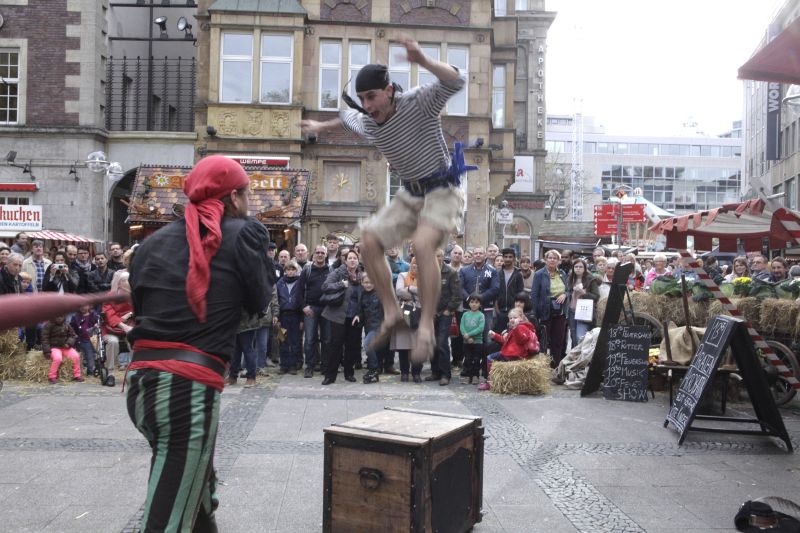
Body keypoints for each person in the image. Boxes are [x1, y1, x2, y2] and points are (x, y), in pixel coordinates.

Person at [301, 35, 471, 364]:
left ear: (389, 90)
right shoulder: (368, 121)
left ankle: (425, 326)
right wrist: (321, 126)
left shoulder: (419, 102)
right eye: (362, 99)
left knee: (423, 245)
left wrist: (423, 60)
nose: (368, 106)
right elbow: (346, 118)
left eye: (372, 97)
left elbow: (456, 80)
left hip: (444, 188)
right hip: (411, 193)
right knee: (367, 241)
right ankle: (392, 313)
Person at [126, 155, 271, 532]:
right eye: (247, 194)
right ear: (234, 197)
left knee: (198, 497)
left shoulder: (151, 244)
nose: (249, 203)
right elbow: (259, 302)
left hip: (141, 385)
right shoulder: (244, 232)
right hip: (186, 393)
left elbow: (141, 310)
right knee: (164, 524)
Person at [320, 250, 363, 385]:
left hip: (354, 316)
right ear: (345, 260)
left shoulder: (362, 275)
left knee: (351, 346)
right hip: (338, 315)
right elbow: (325, 286)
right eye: (350, 258)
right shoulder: (338, 272)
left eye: (355, 258)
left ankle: (349, 373)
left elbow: (365, 296)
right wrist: (341, 284)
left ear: (358, 261)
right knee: (335, 345)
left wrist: (360, 314)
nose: (352, 260)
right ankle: (330, 375)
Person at [479, 308, 538, 391]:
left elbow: (521, 340)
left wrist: (515, 328)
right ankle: (493, 381)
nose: (512, 320)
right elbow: (505, 341)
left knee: (490, 358)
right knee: (490, 356)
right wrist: (495, 336)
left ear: (521, 318)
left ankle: (490, 382)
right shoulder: (514, 328)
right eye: (510, 318)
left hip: (515, 354)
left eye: (515, 317)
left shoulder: (523, 327)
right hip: (510, 353)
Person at [426, 248, 461, 386]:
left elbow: (457, 295)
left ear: (443, 257)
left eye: (439, 256)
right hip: (431, 313)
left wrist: (449, 309)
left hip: (445, 313)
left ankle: (446, 374)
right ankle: (435, 372)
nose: (437, 258)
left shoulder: (451, 272)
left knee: (442, 343)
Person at [531, 249, 568, 367]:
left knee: (558, 341)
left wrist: (565, 294)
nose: (552, 260)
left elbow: (568, 289)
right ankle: (541, 367)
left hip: (560, 313)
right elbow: (534, 295)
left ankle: (554, 366)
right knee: (543, 341)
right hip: (545, 312)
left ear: (559, 261)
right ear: (545, 260)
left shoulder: (562, 273)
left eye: (555, 258)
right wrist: (536, 314)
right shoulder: (539, 274)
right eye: (550, 258)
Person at [300, 244, 331, 378]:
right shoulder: (307, 270)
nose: (320, 255)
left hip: (327, 309)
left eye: (322, 253)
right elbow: (299, 290)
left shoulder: (331, 270)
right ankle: (309, 366)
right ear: (313, 254)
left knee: (327, 339)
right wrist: (304, 306)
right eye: (318, 252)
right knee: (309, 339)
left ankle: (325, 366)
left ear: (326, 255)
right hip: (311, 309)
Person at [394, 258, 423, 382]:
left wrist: (410, 288)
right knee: (403, 344)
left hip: (421, 313)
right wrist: (416, 293)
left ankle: (416, 373)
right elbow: (399, 291)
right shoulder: (402, 275)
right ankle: (404, 372)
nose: (416, 266)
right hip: (404, 312)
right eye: (414, 263)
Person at [275, 260, 304, 374]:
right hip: (283, 316)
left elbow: (303, 301)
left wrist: (302, 319)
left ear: (296, 271)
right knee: (282, 340)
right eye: (288, 269)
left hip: (296, 316)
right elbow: (276, 300)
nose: (290, 272)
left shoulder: (300, 282)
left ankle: (293, 365)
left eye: (293, 269)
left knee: (295, 341)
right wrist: (277, 317)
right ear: (285, 271)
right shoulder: (280, 283)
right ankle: (283, 365)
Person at [102, 273, 134, 373]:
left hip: (130, 325)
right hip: (111, 328)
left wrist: (129, 314)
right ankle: (110, 372)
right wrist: (122, 324)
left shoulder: (134, 295)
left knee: (135, 338)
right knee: (113, 342)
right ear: (119, 283)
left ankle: (134, 368)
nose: (129, 282)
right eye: (126, 280)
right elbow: (109, 314)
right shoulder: (110, 296)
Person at [356, 273, 383, 384]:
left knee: (367, 344)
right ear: (362, 283)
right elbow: (361, 311)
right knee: (373, 348)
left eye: (371, 282)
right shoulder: (362, 294)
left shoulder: (380, 294)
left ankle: (374, 369)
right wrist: (358, 316)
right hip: (368, 326)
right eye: (366, 282)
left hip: (379, 326)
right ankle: (375, 371)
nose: (368, 285)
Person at [567, 258, 600, 346]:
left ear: (585, 268)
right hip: (572, 311)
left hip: (584, 312)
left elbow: (596, 296)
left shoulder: (591, 280)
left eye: (580, 267)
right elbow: (567, 293)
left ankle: (582, 354)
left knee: (580, 337)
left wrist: (584, 293)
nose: (578, 269)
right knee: (573, 336)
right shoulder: (571, 279)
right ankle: (575, 354)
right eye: (576, 266)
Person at [42, 315, 84, 384]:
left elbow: (73, 335)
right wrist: (47, 351)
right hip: (54, 347)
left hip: (65, 346)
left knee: (76, 356)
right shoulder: (48, 325)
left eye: (61, 316)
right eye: (57, 316)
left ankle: (77, 375)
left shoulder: (66, 324)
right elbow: (44, 339)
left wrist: (68, 343)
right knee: (58, 358)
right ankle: (52, 376)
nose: (59, 318)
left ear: (64, 317)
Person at [494, 248, 525, 333]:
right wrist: (497, 311)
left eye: (510, 257)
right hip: (500, 310)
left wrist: (517, 310)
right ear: (503, 258)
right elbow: (495, 293)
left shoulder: (518, 274)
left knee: (513, 335)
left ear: (514, 258)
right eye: (506, 257)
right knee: (500, 335)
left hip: (514, 312)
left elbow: (520, 294)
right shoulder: (497, 273)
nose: (508, 259)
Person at [459, 294, 484, 385]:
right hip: (466, 341)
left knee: (476, 359)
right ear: (468, 303)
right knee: (467, 359)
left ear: (480, 304)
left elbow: (480, 328)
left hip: (477, 342)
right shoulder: (465, 314)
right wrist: (465, 335)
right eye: (472, 302)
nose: (474, 304)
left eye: (476, 302)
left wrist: (469, 334)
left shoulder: (481, 315)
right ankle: (467, 376)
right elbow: (461, 326)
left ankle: (475, 376)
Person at [70, 304, 99, 376]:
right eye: (80, 306)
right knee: (79, 356)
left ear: (89, 306)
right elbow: (71, 327)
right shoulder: (75, 316)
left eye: (84, 305)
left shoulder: (94, 315)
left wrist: (96, 325)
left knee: (90, 355)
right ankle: (78, 372)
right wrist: (74, 335)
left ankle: (90, 371)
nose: (82, 308)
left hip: (89, 339)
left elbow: (98, 324)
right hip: (78, 339)